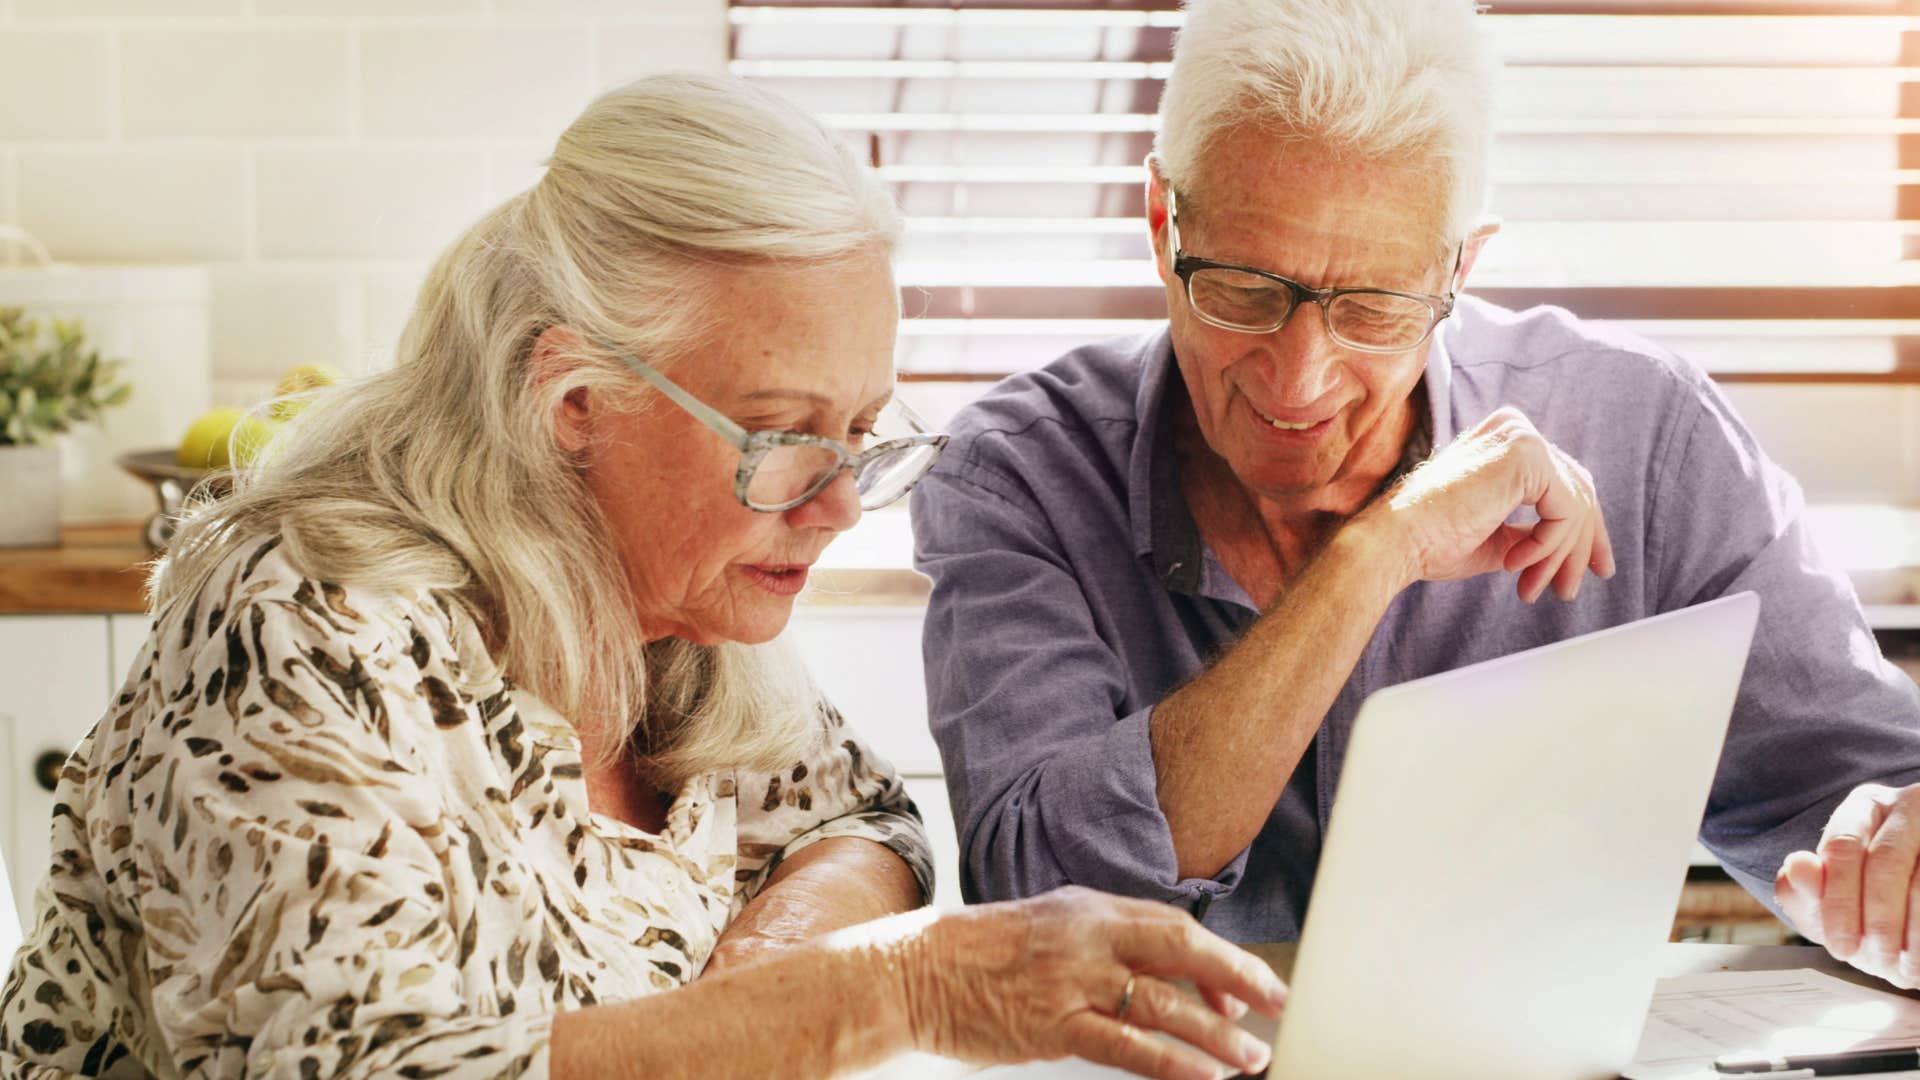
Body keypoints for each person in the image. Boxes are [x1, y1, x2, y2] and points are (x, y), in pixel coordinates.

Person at [0, 75, 1285, 1080]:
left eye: (861, 436)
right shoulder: (307, 619)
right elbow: (361, 1064)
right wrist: (899, 992)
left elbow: (865, 826)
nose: (838, 503)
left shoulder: (682, 610)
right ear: (575, 398)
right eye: (782, 438)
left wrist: (782, 956)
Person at [910, 0, 1920, 989]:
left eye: (1373, 309)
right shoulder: (1018, 473)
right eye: (1245, 291)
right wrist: (1373, 555)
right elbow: (1037, 902)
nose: (1298, 380)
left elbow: (1857, 788)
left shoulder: (1645, 435)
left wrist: (1893, 853)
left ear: (1459, 267)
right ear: (1161, 220)